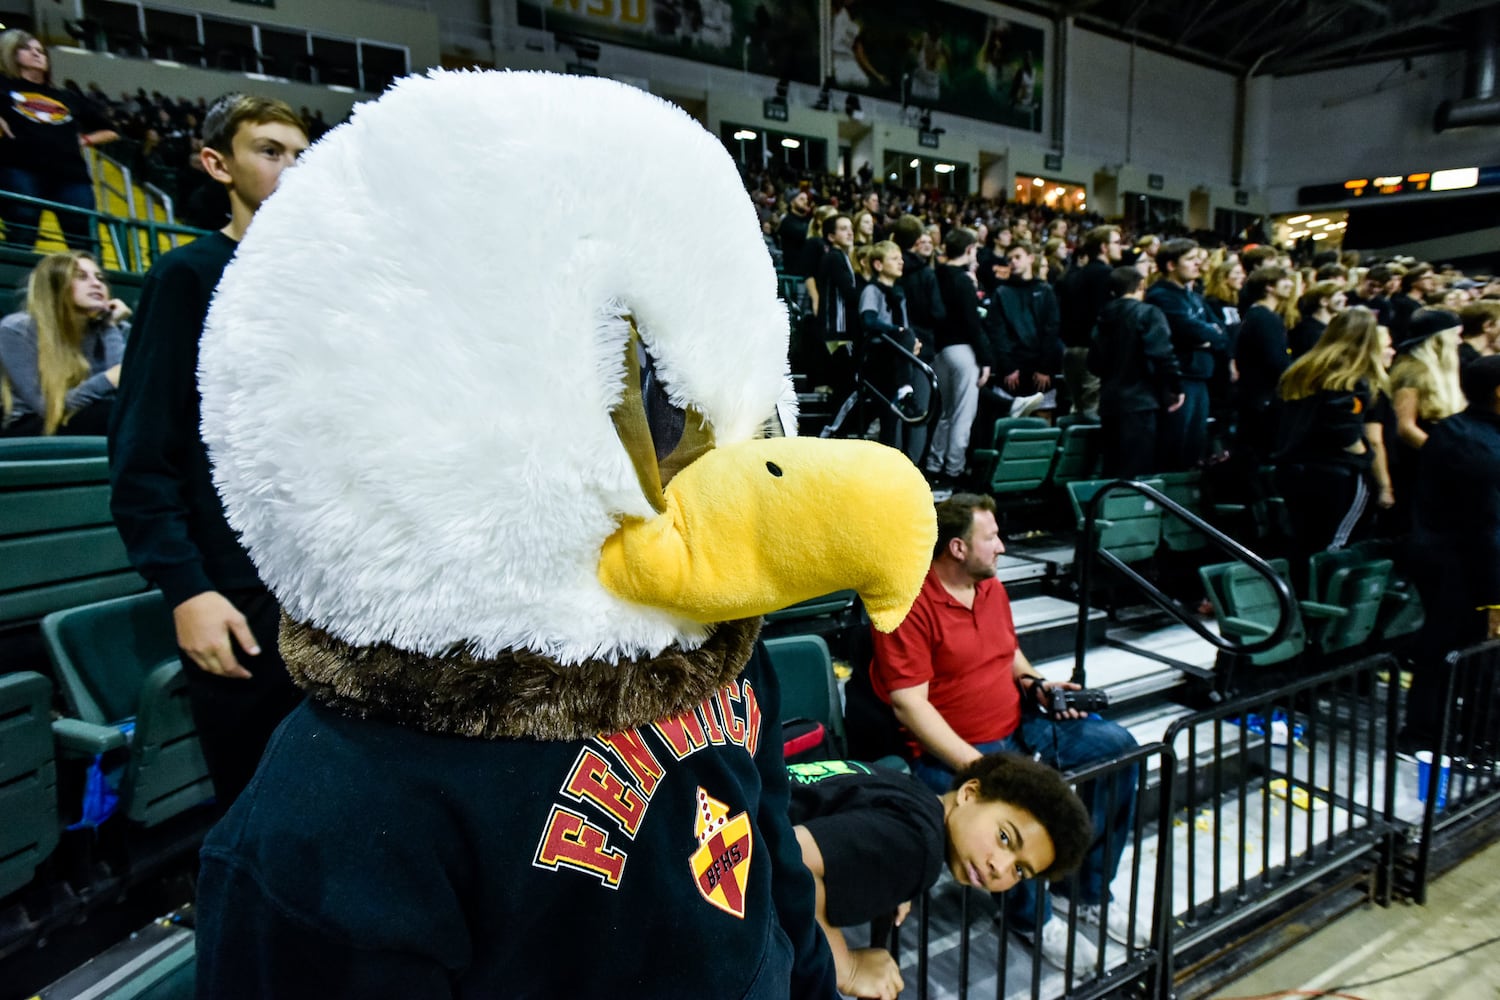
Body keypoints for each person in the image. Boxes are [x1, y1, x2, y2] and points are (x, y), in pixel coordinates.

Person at [108, 94, 310, 806]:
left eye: (302, 154)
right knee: (256, 802)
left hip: (324, 590)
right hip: (236, 591)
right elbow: (141, 454)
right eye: (271, 150)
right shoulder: (187, 277)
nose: (293, 167)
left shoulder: (329, 291)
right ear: (216, 163)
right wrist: (188, 589)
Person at [868, 493, 1141, 969]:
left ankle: (1089, 892)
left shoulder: (990, 587)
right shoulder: (909, 603)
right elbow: (910, 706)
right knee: (1018, 814)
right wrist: (983, 767)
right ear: (957, 547)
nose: (1002, 547)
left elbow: (1009, 652)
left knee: (1120, 751)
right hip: (958, 751)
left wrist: (1036, 684)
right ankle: (1032, 920)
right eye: (991, 537)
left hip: (1021, 725)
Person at [790, 753, 1093, 1000]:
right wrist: (848, 967)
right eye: (1004, 837)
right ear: (969, 793)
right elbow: (794, 857)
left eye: (1019, 870)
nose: (1000, 867)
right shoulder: (918, 846)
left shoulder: (911, 789)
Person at [1400, 355, 1500, 753]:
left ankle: (1458, 735)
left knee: (1452, 654)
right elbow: (1490, 528)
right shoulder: (1477, 446)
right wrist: (1495, 599)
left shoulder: (1458, 429)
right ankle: (1439, 738)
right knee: (1454, 654)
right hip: (1462, 566)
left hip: (1457, 559)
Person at [1271, 307, 1394, 560]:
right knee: (1334, 546)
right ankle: (1322, 598)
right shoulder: (1350, 380)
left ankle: (1297, 596)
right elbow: (1351, 435)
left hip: (1291, 468)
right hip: (1336, 474)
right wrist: (1373, 470)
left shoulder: (1301, 370)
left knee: (1304, 541)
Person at [0, 30, 119, 250]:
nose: (37, 54)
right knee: (22, 230)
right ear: (10, 54)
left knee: (84, 240)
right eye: (27, 49)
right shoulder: (3, 86)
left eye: (40, 51)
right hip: (19, 167)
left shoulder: (66, 96)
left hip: (70, 173)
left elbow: (110, 130)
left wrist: (84, 140)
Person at [0, 251, 129, 436]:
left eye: (100, 278)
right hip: (31, 423)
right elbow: (45, 407)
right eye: (81, 277)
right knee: (117, 415)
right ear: (55, 286)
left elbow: (126, 390)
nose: (96, 283)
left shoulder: (114, 327)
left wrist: (109, 326)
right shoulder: (17, 329)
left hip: (92, 415)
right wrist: (108, 379)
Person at [1088, 266, 1184, 479]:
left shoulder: (1103, 316)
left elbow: (1093, 363)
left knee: (1112, 468)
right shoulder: (1149, 313)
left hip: (1110, 402)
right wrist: (1176, 387)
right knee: (1138, 471)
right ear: (1142, 285)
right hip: (1142, 401)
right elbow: (1163, 355)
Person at [1145, 239, 1225, 470]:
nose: (1198, 263)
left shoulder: (1195, 296)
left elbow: (1221, 333)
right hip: (1180, 379)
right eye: (1190, 259)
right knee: (1175, 448)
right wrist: (1209, 335)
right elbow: (1188, 329)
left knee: (1193, 447)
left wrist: (1208, 336)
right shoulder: (1161, 295)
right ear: (1171, 265)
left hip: (1200, 376)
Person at [927, 228, 990, 490]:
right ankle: (954, 469)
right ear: (968, 250)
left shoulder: (934, 274)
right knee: (963, 416)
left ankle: (933, 465)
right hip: (963, 350)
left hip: (939, 350)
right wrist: (986, 358)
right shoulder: (963, 280)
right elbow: (973, 323)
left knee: (945, 414)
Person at [989, 240, 1062, 419]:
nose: (1013, 261)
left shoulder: (1045, 290)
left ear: (1030, 258)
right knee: (1010, 422)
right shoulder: (1001, 292)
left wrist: (1045, 367)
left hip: (1041, 367)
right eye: (1010, 259)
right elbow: (998, 332)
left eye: (1017, 257)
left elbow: (1051, 330)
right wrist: (1008, 366)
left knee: (1043, 422)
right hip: (1013, 369)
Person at [1056, 225, 1122, 420]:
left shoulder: (1075, 274)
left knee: (1078, 410)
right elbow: (1106, 316)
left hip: (1071, 351)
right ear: (1103, 247)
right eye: (1117, 243)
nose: (1122, 247)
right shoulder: (1106, 275)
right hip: (1093, 353)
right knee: (1093, 413)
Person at [1234, 265, 1295, 466]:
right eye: (1284, 280)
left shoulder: (1259, 315)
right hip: (1263, 398)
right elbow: (1276, 361)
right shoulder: (1264, 318)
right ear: (1269, 287)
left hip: (1256, 396)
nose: (1290, 284)